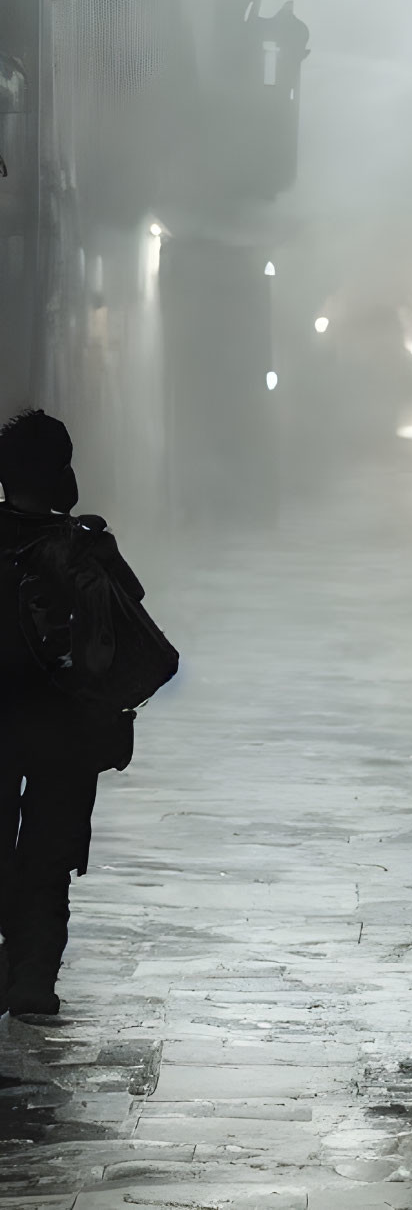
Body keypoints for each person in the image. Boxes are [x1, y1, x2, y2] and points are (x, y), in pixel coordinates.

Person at [0, 410, 136, 1017]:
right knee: (50, 857)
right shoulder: (81, 548)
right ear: (61, 473)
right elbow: (135, 633)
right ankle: (32, 977)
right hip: (61, 726)